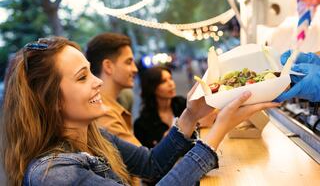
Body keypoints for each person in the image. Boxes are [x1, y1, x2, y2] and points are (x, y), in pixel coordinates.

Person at [2, 37, 278, 185]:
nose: (98, 81)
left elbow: (151, 165)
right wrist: (214, 135)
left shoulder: (94, 136)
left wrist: (191, 114)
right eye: (83, 77)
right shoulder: (54, 173)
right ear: (52, 101)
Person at [134, 66, 216, 148]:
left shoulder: (181, 103)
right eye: (163, 81)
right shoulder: (142, 124)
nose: (171, 84)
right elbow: (149, 156)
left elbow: (204, 120)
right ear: (152, 87)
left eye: (170, 78)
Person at [85, 33, 141, 146]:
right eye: (128, 62)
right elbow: (146, 162)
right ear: (108, 66)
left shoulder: (108, 106)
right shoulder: (103, 114)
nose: (135, 69)